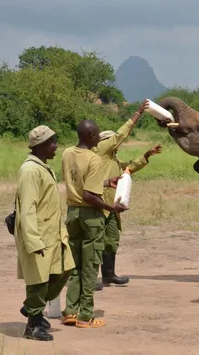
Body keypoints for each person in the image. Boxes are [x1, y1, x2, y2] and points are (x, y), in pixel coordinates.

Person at [60, 119, 128, 329]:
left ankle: (71, 311)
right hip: (91, 217)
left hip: (72, 214)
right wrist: (110, 208)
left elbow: (79, 184)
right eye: (97, 135)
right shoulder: (94, 159)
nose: (99, 138)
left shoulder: (67, 153)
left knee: (76, 265)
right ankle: (86, 315)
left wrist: (107, 182)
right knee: (90, 266)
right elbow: (89, 195)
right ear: (90, 137)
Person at [92, 99, 163, 289]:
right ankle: (91, 279)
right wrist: (138, 113)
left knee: (111, 240)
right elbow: (121, 134)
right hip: (98, 203)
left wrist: (146, 155)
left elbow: (128, 168)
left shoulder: (112, 158)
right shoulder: (99, 152)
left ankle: (108, 275)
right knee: (96, 240)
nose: (114, 143)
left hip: (113, 206)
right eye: (110, 141)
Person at [14, 125, 76, 341]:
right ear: (40, 146)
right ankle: (33, 324)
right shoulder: (31, 171)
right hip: (39, 235)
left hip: (53, 234)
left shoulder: (42, 167)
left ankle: (32, 308)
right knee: (38, 280)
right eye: (52, 142)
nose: (56, 146)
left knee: (64, 270)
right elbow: (28, 208)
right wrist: (33, 241)